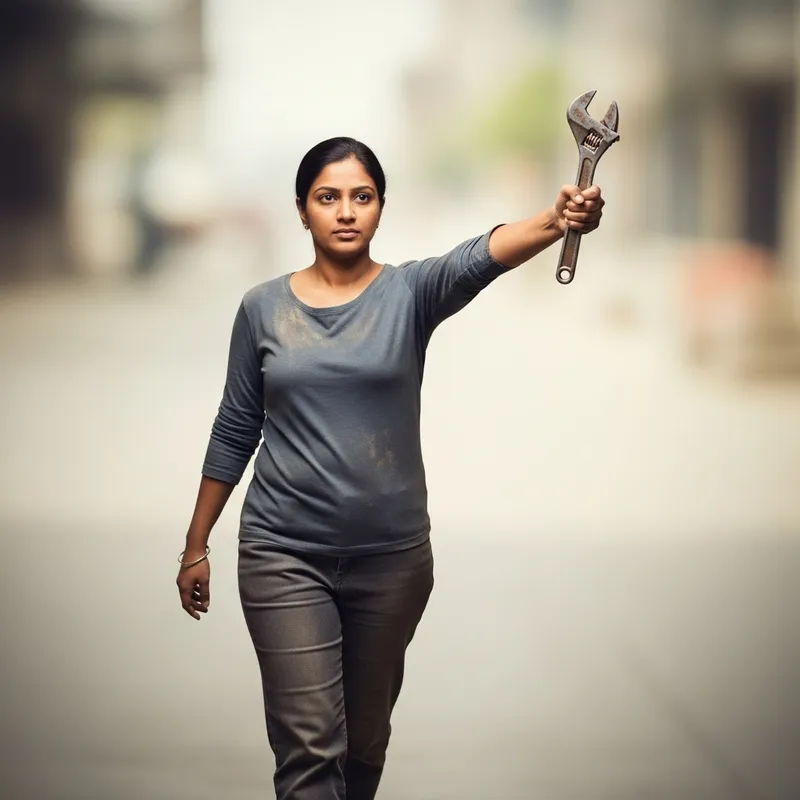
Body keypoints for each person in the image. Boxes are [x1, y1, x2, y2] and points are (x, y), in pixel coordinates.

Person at [176, 136, 605, 799]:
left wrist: (557, 220)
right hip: (283, 554)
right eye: (328, 198)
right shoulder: (261, 308)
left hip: (392, 561)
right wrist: (195, 544)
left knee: (363, 746)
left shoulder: (411, 293)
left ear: (379, 208)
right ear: (302, 211)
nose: (345, 211)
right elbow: (236, 422)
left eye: (361, 197)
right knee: (311, 749)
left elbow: (479, 256)